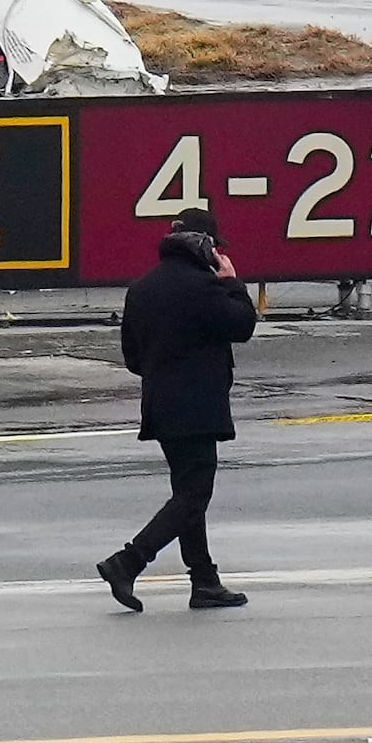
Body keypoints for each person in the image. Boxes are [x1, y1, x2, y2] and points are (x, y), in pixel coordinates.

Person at [100, 215, 258, 611]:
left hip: (161, 407)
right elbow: (242, 325)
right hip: (198, 408)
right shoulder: (204, 287)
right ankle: (128, 561)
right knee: (193, 496)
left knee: (187, 495)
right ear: (202, 245)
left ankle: (204, 580)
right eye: (215, 248)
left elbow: (132, 357)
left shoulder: (142, 288)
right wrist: (233, 284)